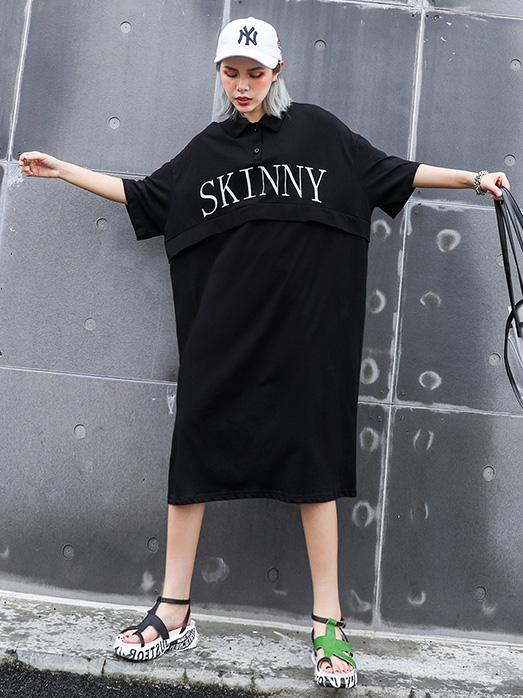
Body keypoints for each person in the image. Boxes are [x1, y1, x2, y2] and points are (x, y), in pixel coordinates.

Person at [18, 15, 511, 691]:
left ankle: (328, 624)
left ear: (277, 71)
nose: (243, 85)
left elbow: (391, 171)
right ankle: (174, 611)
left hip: (307, 341)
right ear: (219, 74)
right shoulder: (208, 149)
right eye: (232, 73)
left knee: (313, 468)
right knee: (193, 455)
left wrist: (474, 178)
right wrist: (62, 170)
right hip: (222, 340)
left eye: (255, 73)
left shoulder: (320, 133)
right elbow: (145, 196)